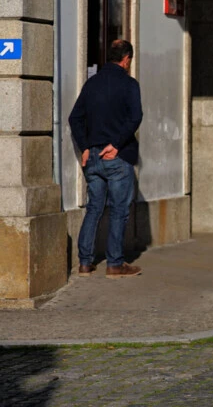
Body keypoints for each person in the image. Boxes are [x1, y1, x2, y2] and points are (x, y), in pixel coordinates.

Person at [68, 39, 143, 278]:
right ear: (127, 59)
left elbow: (74, 118)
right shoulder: (129, 84)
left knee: (94, 209)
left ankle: (85, 263)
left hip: (92, 158)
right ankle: (115, 264)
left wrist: (86, 147)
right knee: (119, 210)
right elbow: (135, 118)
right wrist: (116, 144)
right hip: (116, 157)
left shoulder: (92, 84)